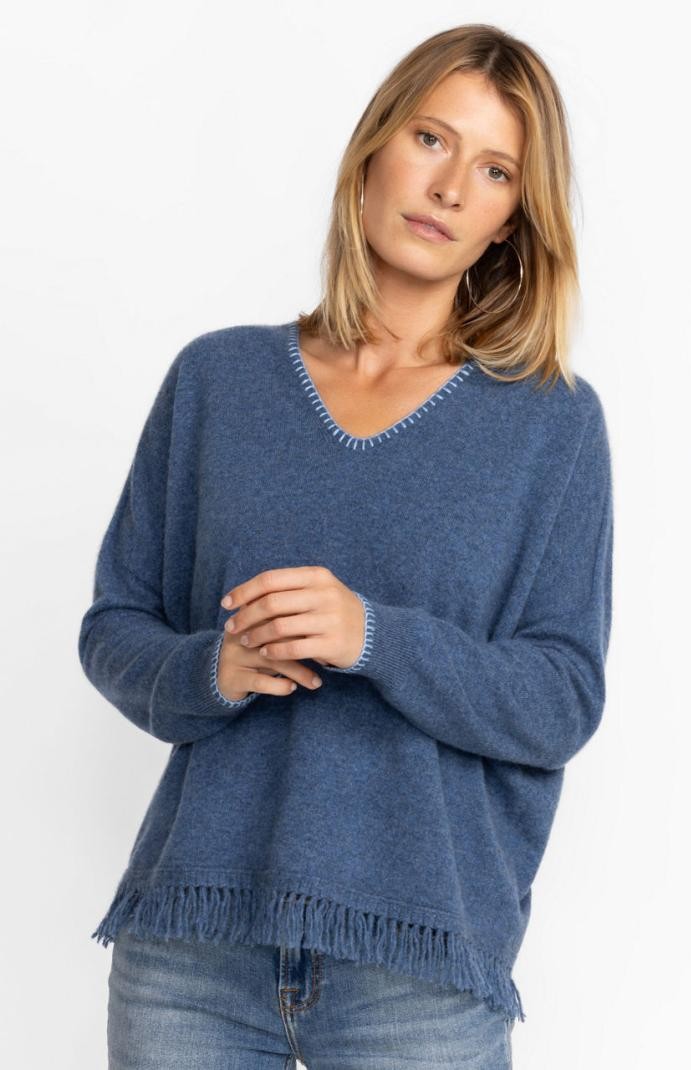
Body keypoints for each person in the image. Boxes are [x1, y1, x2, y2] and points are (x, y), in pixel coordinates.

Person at [78, 23, 614, 1070]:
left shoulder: (550, 423)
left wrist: (374, 636)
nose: (449, 186)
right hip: (192, 956)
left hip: (418, 975)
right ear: (374, 148)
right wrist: (214, 668)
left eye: (495, 169)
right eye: (431, 138)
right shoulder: (218, 381)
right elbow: (115, 625)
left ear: (511, 220)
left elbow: (562, 698)